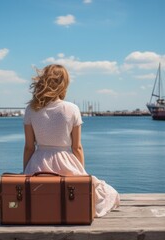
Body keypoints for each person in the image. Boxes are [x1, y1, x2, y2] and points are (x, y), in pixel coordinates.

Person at [23, 64, 120, 217]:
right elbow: (77, 147)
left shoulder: (31, 109)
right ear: (64, 84)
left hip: (37, 164)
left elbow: (29, 147)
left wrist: (25, 174)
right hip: (66, 162)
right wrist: (82, 173)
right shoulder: (72, 108)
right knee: (108, 193)